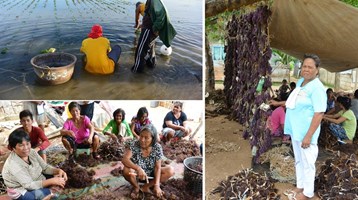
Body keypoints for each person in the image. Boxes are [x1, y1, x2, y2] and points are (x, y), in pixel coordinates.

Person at [283, 54, 326, 200]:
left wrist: (308, 135)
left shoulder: (317, 88)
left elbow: (319, 113)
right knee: (299, 160)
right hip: (296, 131)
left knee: (308, 163)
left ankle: (307, 193)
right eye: (304, 66)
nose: (306, 69)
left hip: (306, 134)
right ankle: (300, 186)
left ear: (317, 70)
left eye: (310, 67)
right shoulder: (301, 82)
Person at [2, 129, 67, 200]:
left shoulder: (32, 152)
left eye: (27, 143)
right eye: (21, 145)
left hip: (33, 179)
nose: (26, 148)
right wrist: (52, 181)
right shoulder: (13, 165)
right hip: (20, 189)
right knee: (48, 192)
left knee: (60, 179)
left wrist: (57, 170)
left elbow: (45, 167)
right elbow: (29, 185)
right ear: (13, 148)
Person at [122, 124, 174, 198]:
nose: (142, 140)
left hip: (151, 175)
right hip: (137, 175)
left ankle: (146, 187)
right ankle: (136, 187)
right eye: (141, 136)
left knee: (170, 170)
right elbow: (124, 159)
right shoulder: (135, 144)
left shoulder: (157, 147)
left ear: (152, 139)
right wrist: (138, 169)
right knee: (126, 170)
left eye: (146, 138)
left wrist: (157, 185)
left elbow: (157, 167)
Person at [131, 0, 177, 73]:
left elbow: (162, 14)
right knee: (150, 48)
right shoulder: (153, 2)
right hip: (149, 29)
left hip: (148, 30)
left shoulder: (154, 1)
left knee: (140, 51)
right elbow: (151, 16)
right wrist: (144, 26)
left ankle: (136, 73)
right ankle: (151, 65)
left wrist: (154, 28)